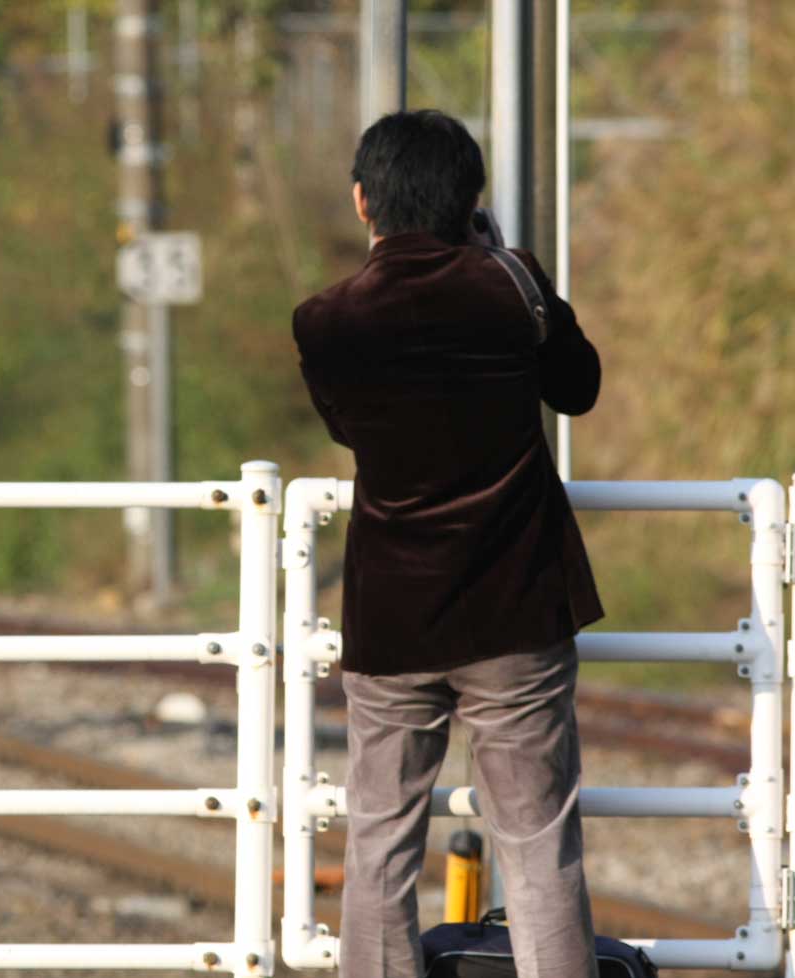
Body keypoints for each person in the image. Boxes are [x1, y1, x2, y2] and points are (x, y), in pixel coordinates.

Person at [291, 109, 603, 978]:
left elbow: (348, 430)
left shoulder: (325, 320)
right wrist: (508, 267)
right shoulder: (513, 284)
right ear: (471, 200)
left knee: (379, 844)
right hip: (517, 608)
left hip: (393, 616)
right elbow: (578, 390)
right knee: (538, 845)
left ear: (364, 201)